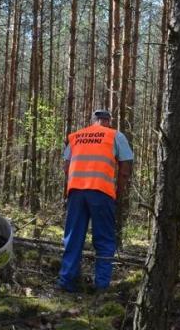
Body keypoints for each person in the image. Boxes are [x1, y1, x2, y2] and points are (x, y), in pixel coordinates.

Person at [58, 109, 133, 293]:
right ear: (108, 121)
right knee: (105, 239)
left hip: (76, 192)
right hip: (101, 192)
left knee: (73, 238)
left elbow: (66, 166)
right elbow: (126, 165)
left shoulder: (77, 136)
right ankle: (101, 286)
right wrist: (120, 191)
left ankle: (67, 282)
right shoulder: (115, 135)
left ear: (93, 121)